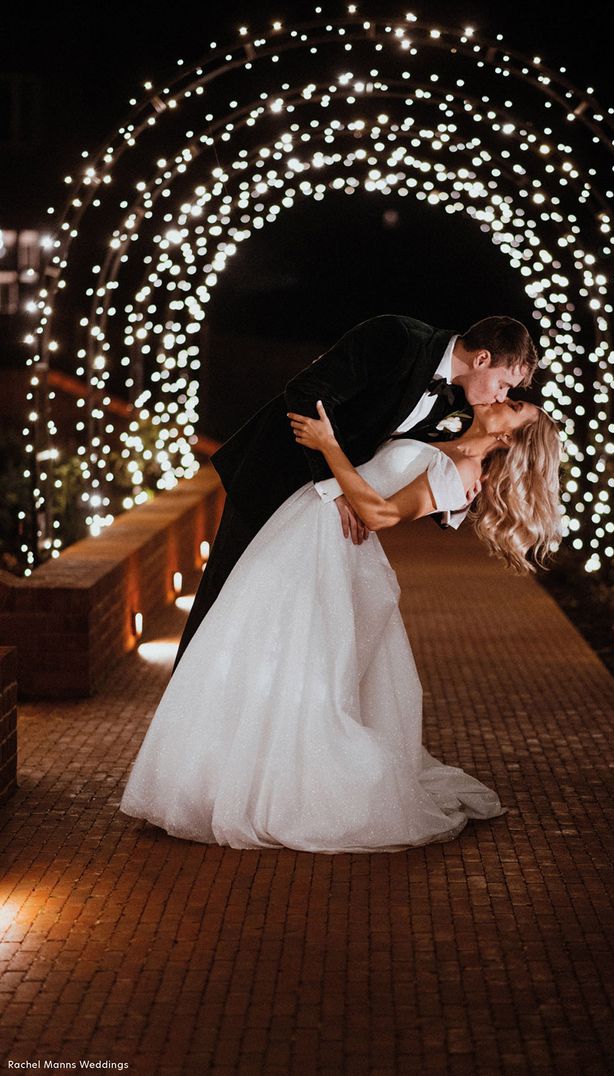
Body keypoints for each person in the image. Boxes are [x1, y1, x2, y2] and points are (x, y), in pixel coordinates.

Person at [119, 391, 564, 853]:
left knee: (304, 674)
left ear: (509, 435)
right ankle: (217, 783)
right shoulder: (442, 433)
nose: (505, 399)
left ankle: (284, 793)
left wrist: (328, 445)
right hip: (304, 532)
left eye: (515, 408)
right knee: (255, 654)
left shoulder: (463, 473)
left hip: (330, 554)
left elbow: (380, 513)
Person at [171, 313, 540, 671]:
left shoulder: (459, 402)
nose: (500, 396)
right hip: (277, 476)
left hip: (320, 520)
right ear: (482, 359)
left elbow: (428, 461)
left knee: (274, 627)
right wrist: (334, 487)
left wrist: (460, 493)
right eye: (503, 385)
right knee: (222, 602)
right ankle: (183, 710)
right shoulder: (397, 338)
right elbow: (305, 392)